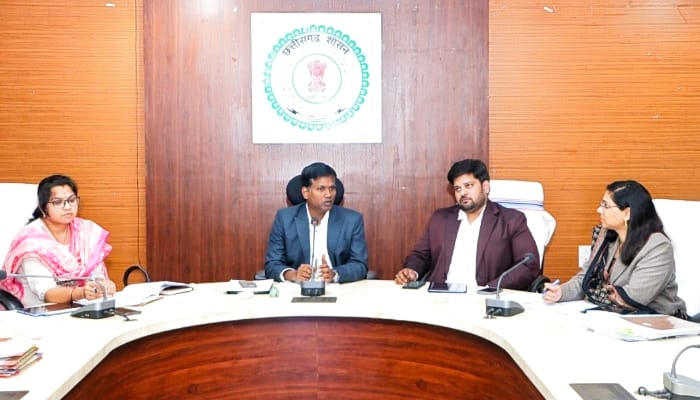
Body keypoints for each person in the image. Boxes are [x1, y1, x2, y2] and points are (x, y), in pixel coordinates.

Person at [543, 180, 687, 317]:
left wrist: (592, 291)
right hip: (615, 317)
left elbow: (634, 297)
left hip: (657, 322)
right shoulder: (605, 235)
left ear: (627, 213)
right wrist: (561, 292)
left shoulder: (657, 246)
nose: (599, 210)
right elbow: (586, 277)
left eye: (605, 205)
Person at [394, 159, 540, 290]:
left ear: (485, 187)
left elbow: (528, 265)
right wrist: (412, 271)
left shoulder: (511, 220)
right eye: (457, 189)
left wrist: (491, 289)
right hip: (440, 297)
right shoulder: (440, 219)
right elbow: (421, 255)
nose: (462, 193)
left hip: (483, 298)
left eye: (468, 186)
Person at [0, 174, 117, 307]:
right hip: (40, 310)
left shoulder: (87, 232)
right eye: (57, 202)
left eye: (71, 200)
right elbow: (46, 292)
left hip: (83, 306)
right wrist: (80, 293)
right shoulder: (31, 242)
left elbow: (97, 277)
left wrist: (103, 286)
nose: (67, 207)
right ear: (43, 207)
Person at [264, 162, 369, 283]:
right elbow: (272, 264)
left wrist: (335, 274)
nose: (328, 194)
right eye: (321, 189)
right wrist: (293, 274)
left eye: (332, 188)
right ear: (305, 192)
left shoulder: (352, 220)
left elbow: (360, 265)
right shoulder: (285, 219)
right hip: (297, 288)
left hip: (338, 288)